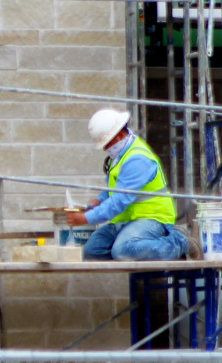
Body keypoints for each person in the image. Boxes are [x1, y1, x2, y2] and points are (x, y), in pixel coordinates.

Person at [66, 107, 200, 261]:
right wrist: (100, 200)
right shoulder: (120, 155)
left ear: (120, 135)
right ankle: (141, 249)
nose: (105, 148)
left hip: (152, 218)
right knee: (92, 252)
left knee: (123, 250)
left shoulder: (137, 159)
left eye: (107, 143)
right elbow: (117, 186)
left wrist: (86, 218)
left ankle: (179, 242)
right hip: (126, 220)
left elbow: (120, 200)